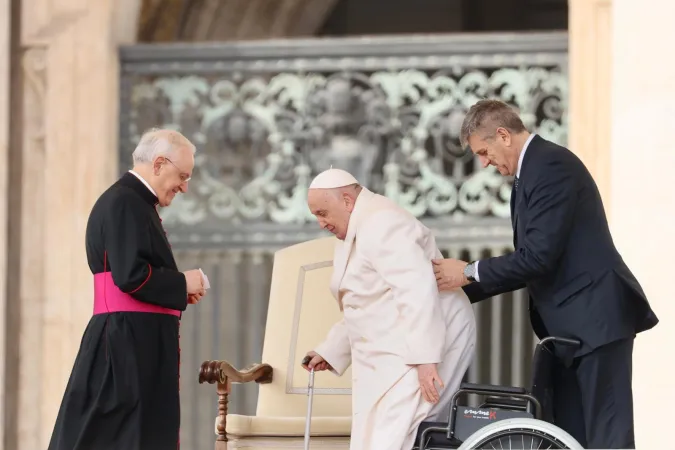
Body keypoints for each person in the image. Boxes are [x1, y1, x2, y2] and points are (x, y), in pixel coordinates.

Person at [432, 99, 659, 449]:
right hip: (570, 330)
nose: (483, 162)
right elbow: (535, 260)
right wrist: (459, 286)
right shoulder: (531, 172)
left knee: (608, 438)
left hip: (596, 322)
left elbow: (538, 258)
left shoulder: (550, 165)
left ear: (503, 135)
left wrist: (468, 271)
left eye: (483, 151)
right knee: (570, 438)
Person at [48, 128, 208, 450]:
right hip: (126, 347)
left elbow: (133, 272)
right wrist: (181, 282)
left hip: (131, 340)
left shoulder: (134, 202)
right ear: (160, 163)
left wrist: (174, 294)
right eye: (183, 175)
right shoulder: (125, 202)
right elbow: (130, 276)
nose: (185, 187)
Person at [302, 168, 476, 450]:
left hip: (426, 336)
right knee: (378, 437)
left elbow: (416, 289)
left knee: (394, 435)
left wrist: (426, 359)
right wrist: (331, 349)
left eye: (323, 213)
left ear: (347, 200)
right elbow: (365, 301)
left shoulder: (383, 222)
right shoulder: (355, 226)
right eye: (316, 216)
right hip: (398, 343)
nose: (321, 223)